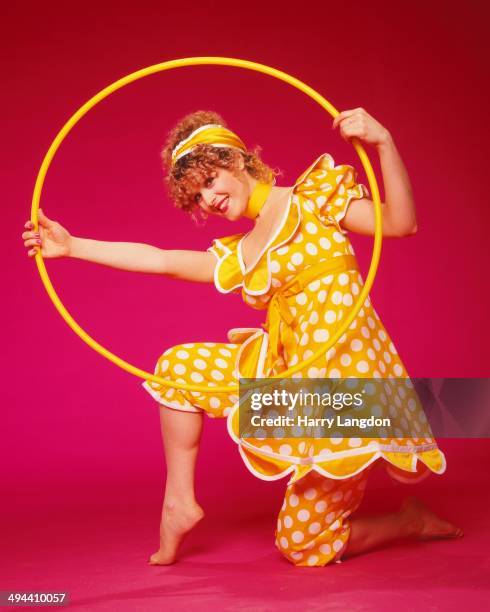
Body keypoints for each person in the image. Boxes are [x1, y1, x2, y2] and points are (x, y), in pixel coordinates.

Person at [22, 108, 462, 568]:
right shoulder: (244, 252)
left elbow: (401, 223)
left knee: (302, 548)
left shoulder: (312, 199)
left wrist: (384, 142)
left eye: (210, 181)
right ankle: (178, 503)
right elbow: (161, 260)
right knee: (177, 369)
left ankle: (409, 521)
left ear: (236, 159)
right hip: (287, 385)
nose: (208, 199)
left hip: (345, 398)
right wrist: (72, 248)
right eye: (195, 196)